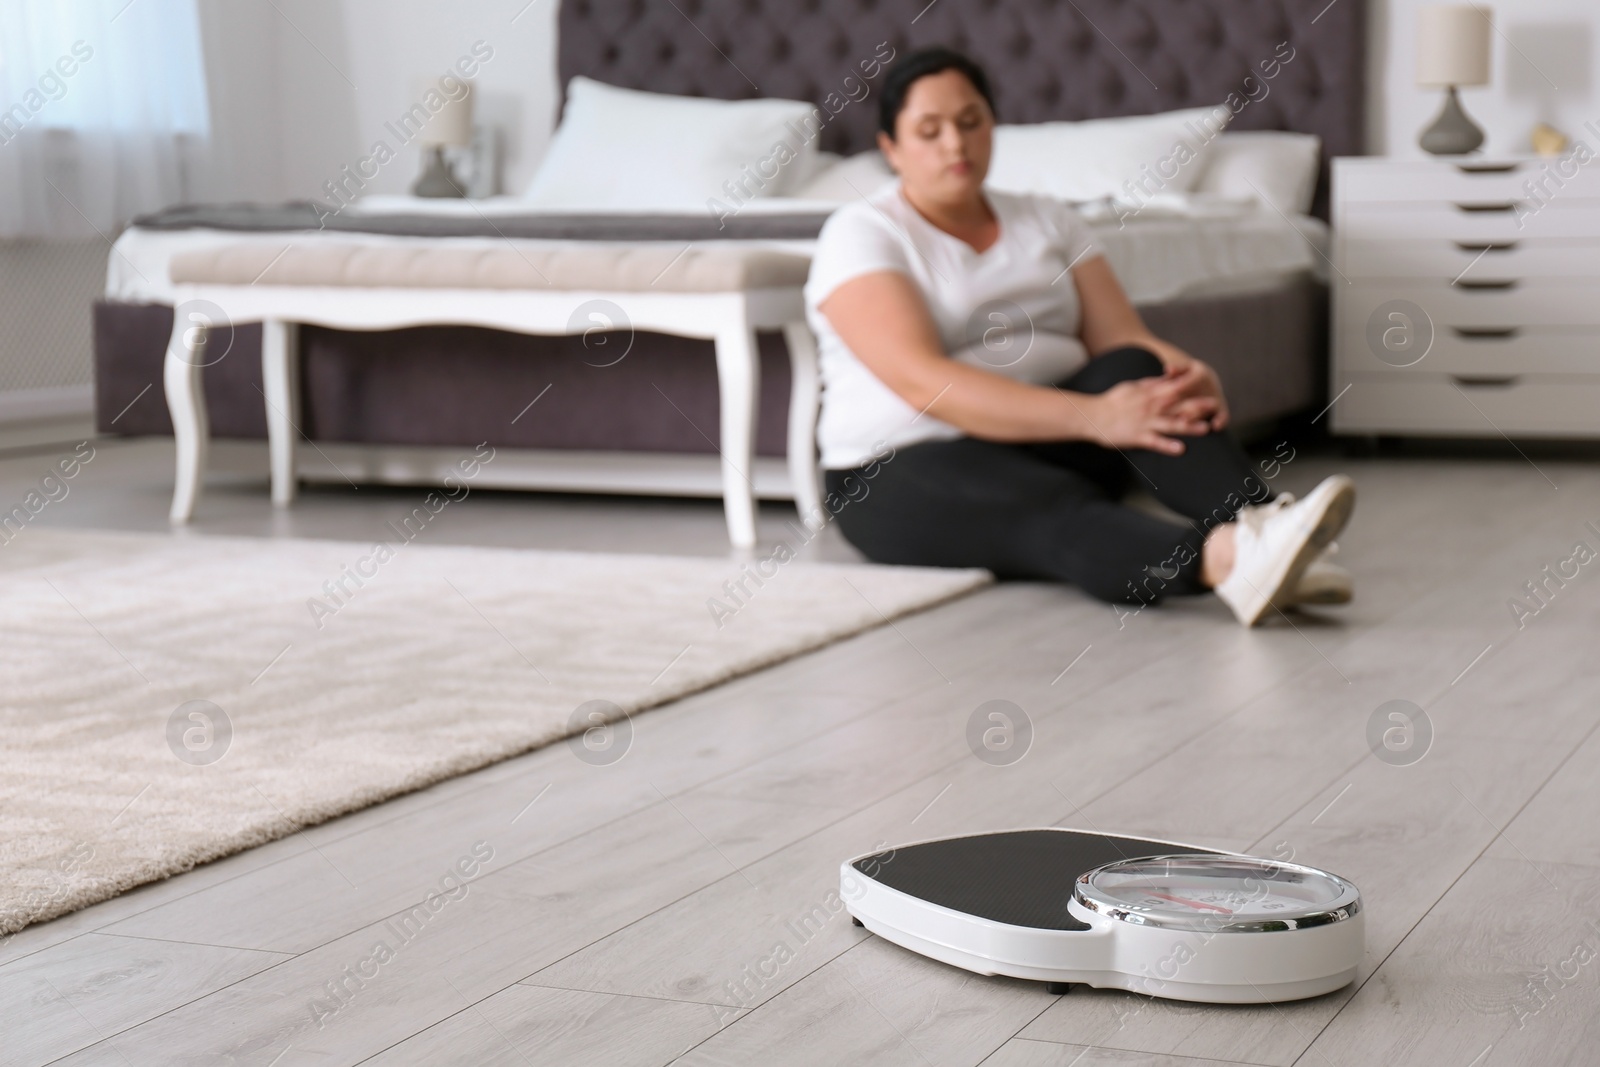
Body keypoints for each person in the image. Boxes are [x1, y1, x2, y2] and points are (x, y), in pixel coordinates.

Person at [803, 47, 1354, 627]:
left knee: (1140, 370)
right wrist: (1096, 419)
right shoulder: (861, 231)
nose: (955, 145)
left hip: (1047, 442)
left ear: (993, 125)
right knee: (1048, 509)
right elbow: (924, 383)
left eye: (970, 122)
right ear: (890, 149)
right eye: (929, 131)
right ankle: (1229, 560)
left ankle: (1266, 528)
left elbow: (1122, 339)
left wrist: (1188, 373)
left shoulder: (1048, 218)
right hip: (900, 471)